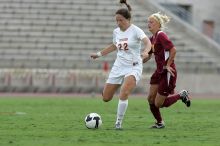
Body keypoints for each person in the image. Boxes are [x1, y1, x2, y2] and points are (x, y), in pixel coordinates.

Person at [90, 0, 151, 130]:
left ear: (128, 20)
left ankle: (118, 123)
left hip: (134, 66)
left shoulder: (136, 30)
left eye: (121, 20)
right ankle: (112, 87)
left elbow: (148, 42)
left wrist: (146, 52)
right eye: (116, 20)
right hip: (118, 67)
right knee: (106, 98)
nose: (118, 23)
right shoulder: (116, 32)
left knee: (124, 93)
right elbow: (114, 46)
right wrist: (99, 54)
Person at [143, 12, 191, 129]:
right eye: (148, 22)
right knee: (150, 98)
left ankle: (181, 95)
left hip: (167, 72)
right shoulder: (152, 38)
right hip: (158, 72)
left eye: (151, 22)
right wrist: (136, 62)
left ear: (158, 24)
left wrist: (168, 64)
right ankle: (160, 123)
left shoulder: (161, 35)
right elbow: (148, 56)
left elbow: (173, 50)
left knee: (158, 103)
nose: (149, 24)